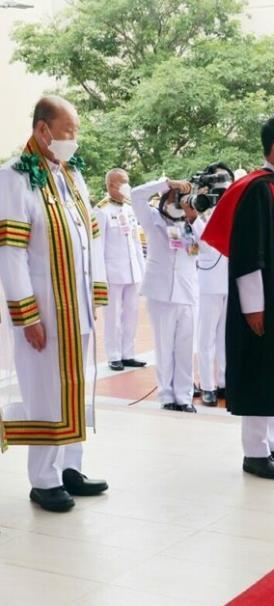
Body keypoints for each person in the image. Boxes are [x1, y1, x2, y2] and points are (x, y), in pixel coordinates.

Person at [0, 96, 109, 512]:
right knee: (45, 390)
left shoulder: (71, 175)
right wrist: (27, 314)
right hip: (44, 307)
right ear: (42, 129)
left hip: (76, 303)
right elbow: (10, 252)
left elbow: (89, 236)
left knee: (75, 387)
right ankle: (43, 479)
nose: (73, 141)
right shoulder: (14, 177)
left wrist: (94, 294)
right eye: (68, 132)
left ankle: (70, 467)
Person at [202, 115, 274, 481]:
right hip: (266, 301)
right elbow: (249, 253)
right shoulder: (259, 190)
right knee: (261, 372)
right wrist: (253, 305)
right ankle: (255, 451)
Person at [131, 175, 200, 413]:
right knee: (164, 346)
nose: (180, 201)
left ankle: (184, 396)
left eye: (183, 197)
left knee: (184, 348)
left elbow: (204, 247)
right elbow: (136, 194)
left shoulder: (192, 224)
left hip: (187, 292)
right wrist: (168, 183)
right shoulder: (153, 220)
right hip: (160, 293)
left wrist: (193, 217)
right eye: (176, 196)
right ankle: (167, 396)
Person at [94, 168, 147, 371]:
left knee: (131, 314)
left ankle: (128, 353)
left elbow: (135, 242)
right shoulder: (101, 210)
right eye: (123, 181)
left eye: (127, 180)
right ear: (111, 185)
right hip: (112, 273)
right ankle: (114, 355)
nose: (127, 184)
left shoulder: (129, 208)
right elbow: (97, 246)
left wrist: (142, 271)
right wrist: (99, 276)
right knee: (113, 316)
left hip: (132, 271)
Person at [191, 163, 234, 406]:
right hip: (208, 282)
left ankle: (225, 382)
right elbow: (198, 240)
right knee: (206, 338)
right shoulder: (199, 209)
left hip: (228, 279)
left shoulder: (231, 208)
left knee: (224, 337)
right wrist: (197, 209)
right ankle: (207, 385)